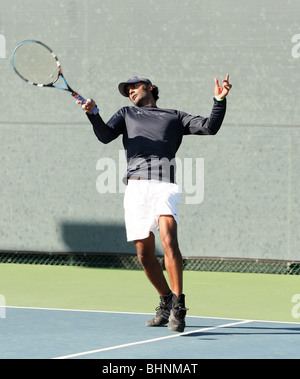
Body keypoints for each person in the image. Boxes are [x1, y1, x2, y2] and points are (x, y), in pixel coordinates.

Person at [79, 74, 232, 332]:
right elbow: (105, 136)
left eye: (133, 87)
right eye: (126, 90)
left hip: (164, 185)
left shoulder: (174, 116)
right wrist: (93, 114)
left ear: (149, 87)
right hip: (136, 187)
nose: (130, 92)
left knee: (169, 240)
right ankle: (165, 300)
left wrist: (219, 100)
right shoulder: (126, 113)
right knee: (144, 255)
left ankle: (179, 307)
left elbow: (209, 127)